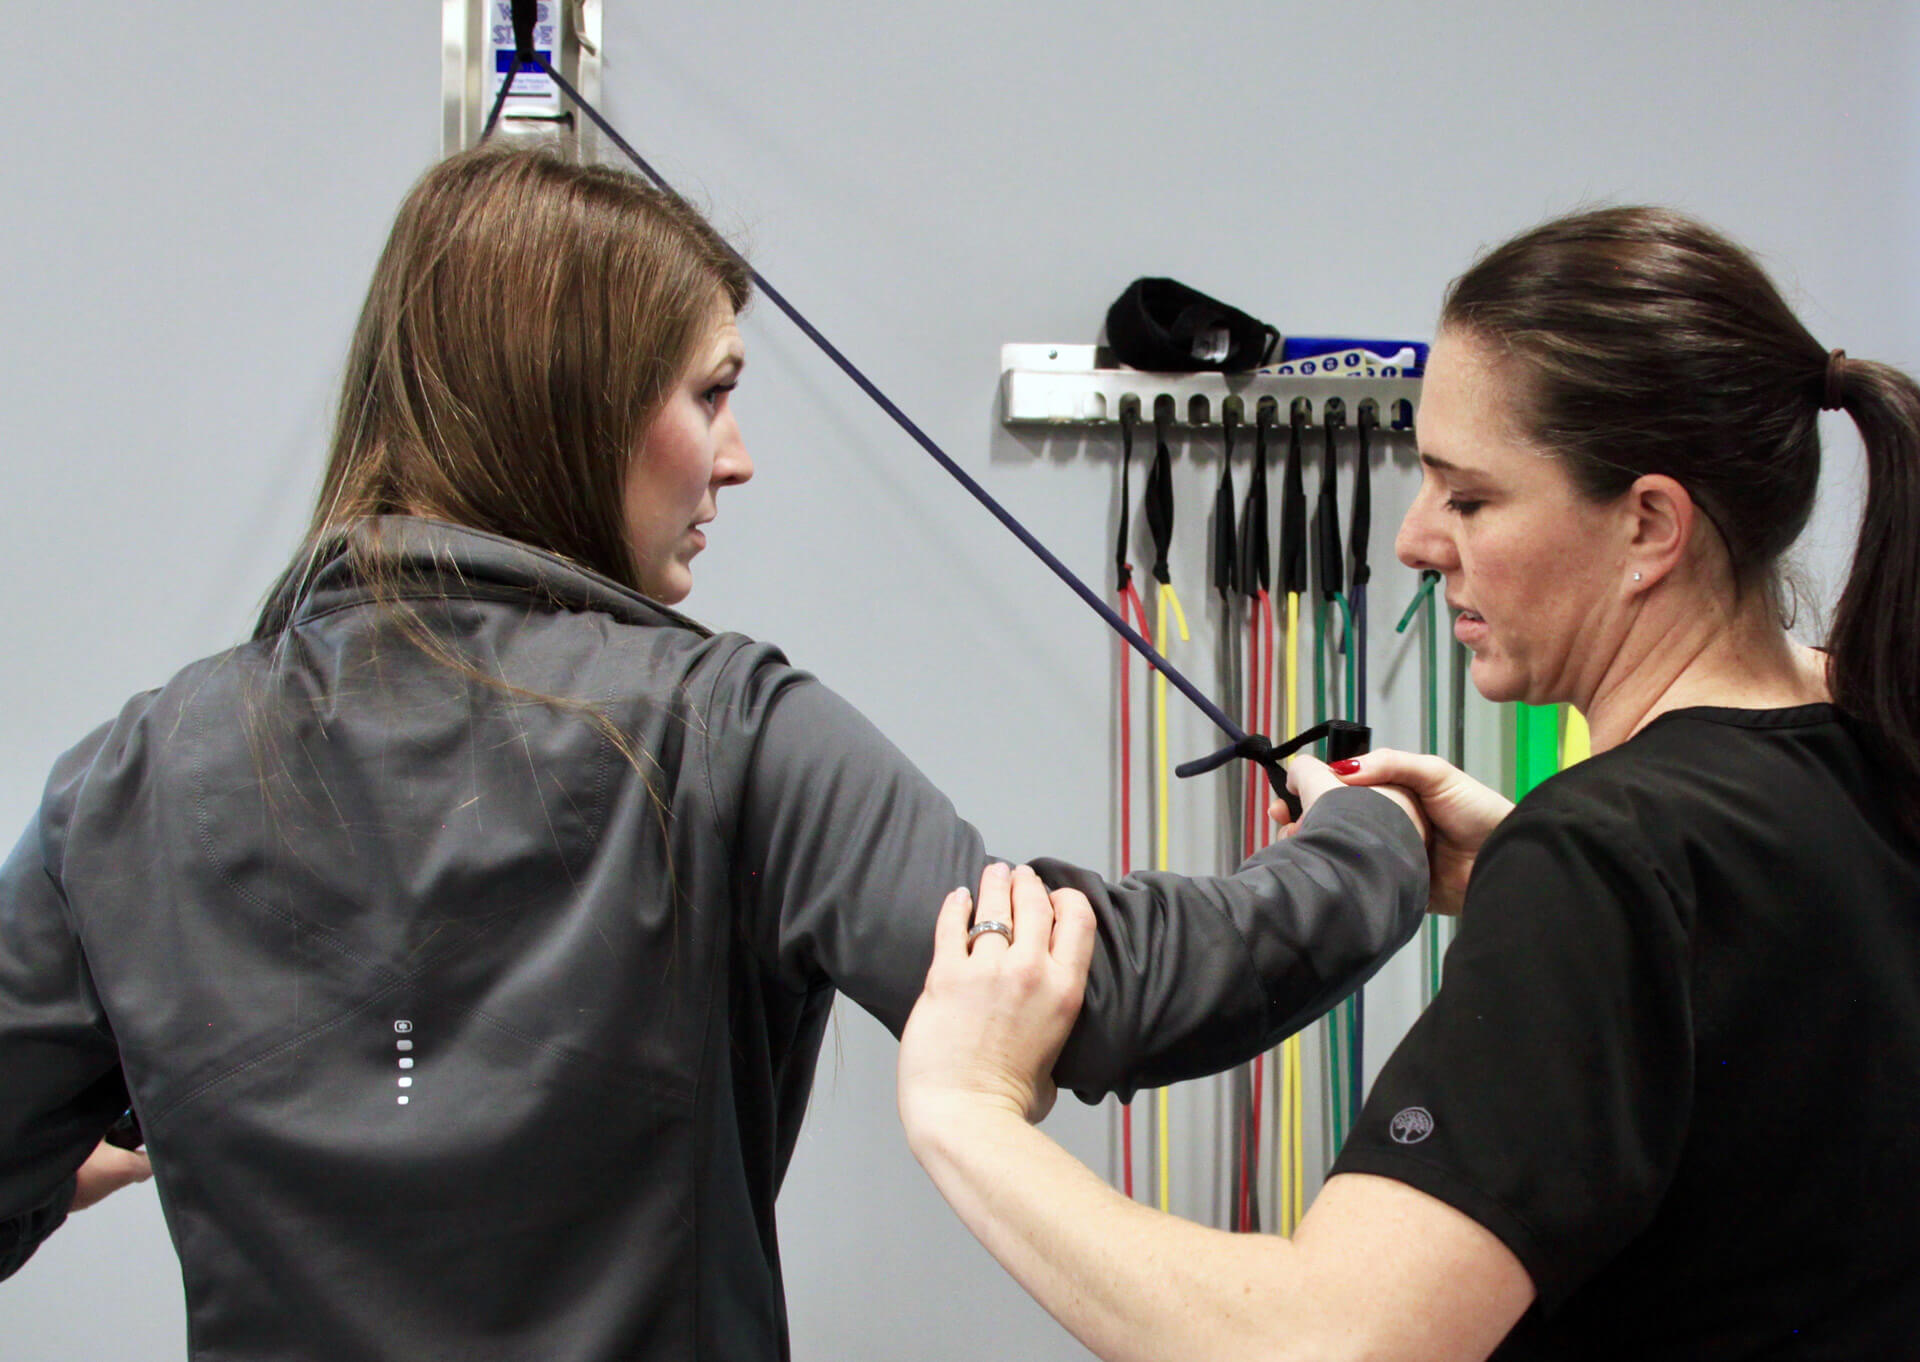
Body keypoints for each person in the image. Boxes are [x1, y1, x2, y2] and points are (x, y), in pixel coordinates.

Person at [0, 143, 1429, 1361]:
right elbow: (1099, 987)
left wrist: (180, 1119)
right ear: (572, 402)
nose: (734, 458)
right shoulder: (729, 730)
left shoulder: (122, 783)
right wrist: (1371, 832)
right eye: (710, 392)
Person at [898, 205, 1920, 1360]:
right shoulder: (1868, 733)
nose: (1417, 541)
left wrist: (966, 1110)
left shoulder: (1613, 853)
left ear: (1649, 525)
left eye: (1470, 497)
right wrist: (1534, 879)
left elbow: (1326, 1344)